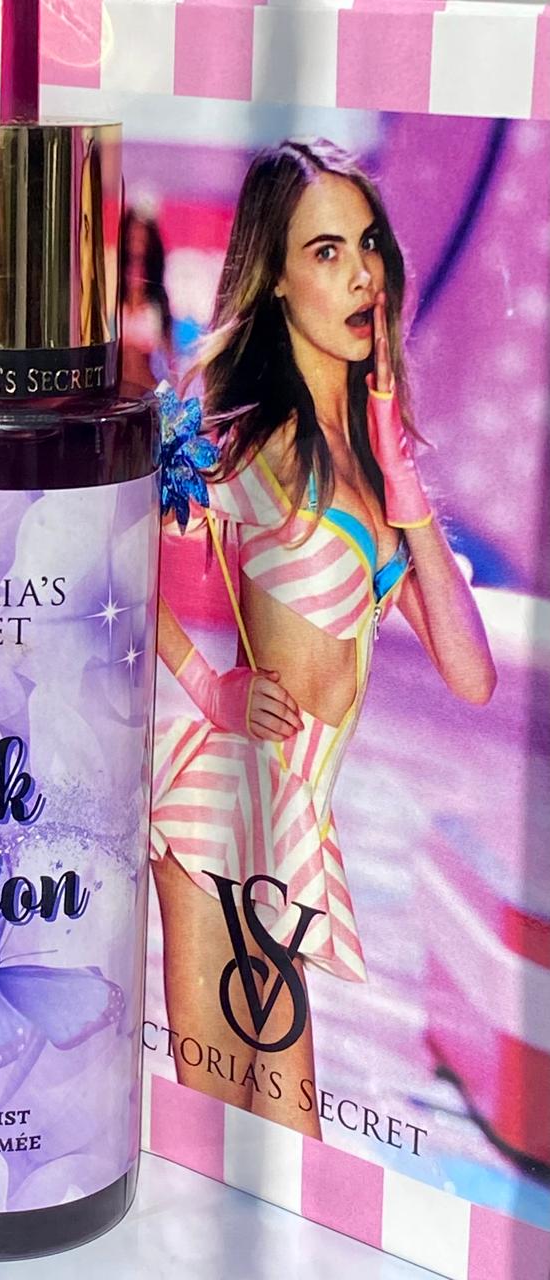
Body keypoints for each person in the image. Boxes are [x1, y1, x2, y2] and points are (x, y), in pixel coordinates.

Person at [150, 139, 496, 1136]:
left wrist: (403, 478)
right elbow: (100, 554)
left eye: (368, 244)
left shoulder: (374, 469)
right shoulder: (244, 433)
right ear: (274, 277)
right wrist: (205, 684)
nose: (360, 274)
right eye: (326, 251)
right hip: (219, 815)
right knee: (225, 1137)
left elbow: (469, 674)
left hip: (291, 827)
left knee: (276, 1144)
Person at [120, 206, 173, 391]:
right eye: (132, 236)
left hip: (149, 391)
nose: (136, 244)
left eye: (142, 237)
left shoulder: (158, 303)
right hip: (118, 393)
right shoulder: (113, 294)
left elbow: (169, 363)